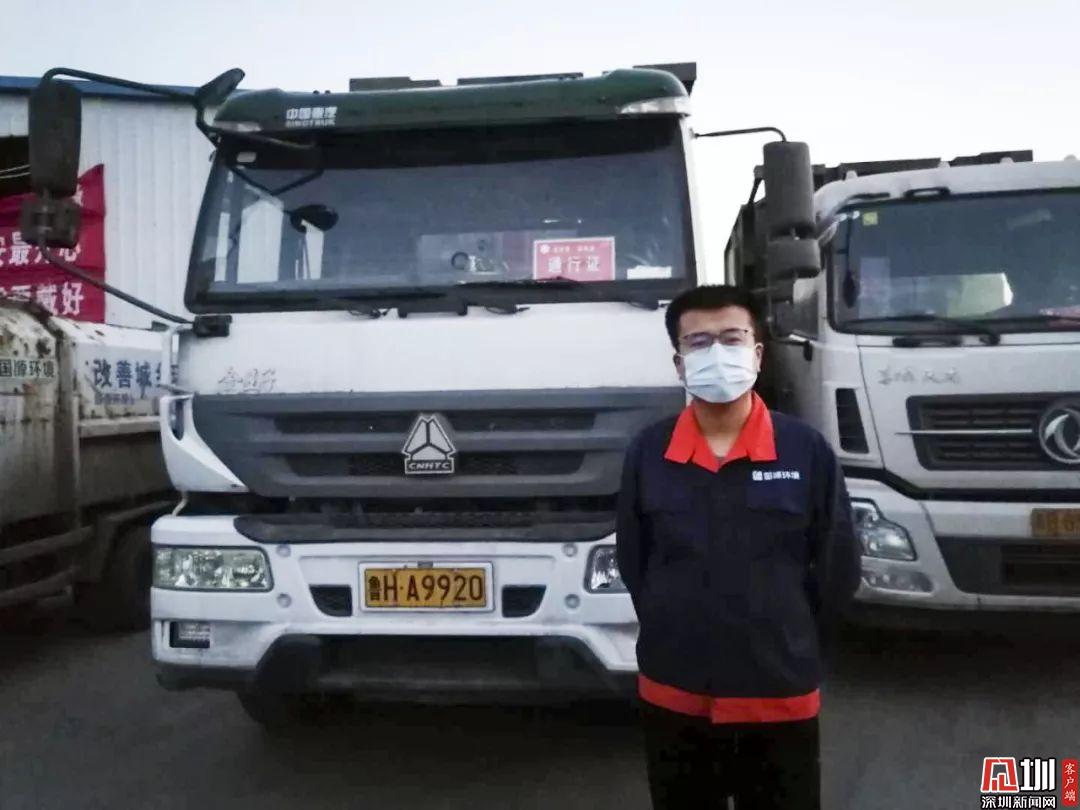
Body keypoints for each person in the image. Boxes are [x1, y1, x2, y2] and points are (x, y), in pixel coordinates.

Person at [616, 285, 861, 809]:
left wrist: (789, 639)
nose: (717, 353)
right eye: (698, 342)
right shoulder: (649, 452)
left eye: (731, 338)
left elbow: (836, 567)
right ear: (679, 364)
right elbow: (635, 562)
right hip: (674, 691)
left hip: (779, 692)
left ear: (757, 353)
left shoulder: (805, 450)